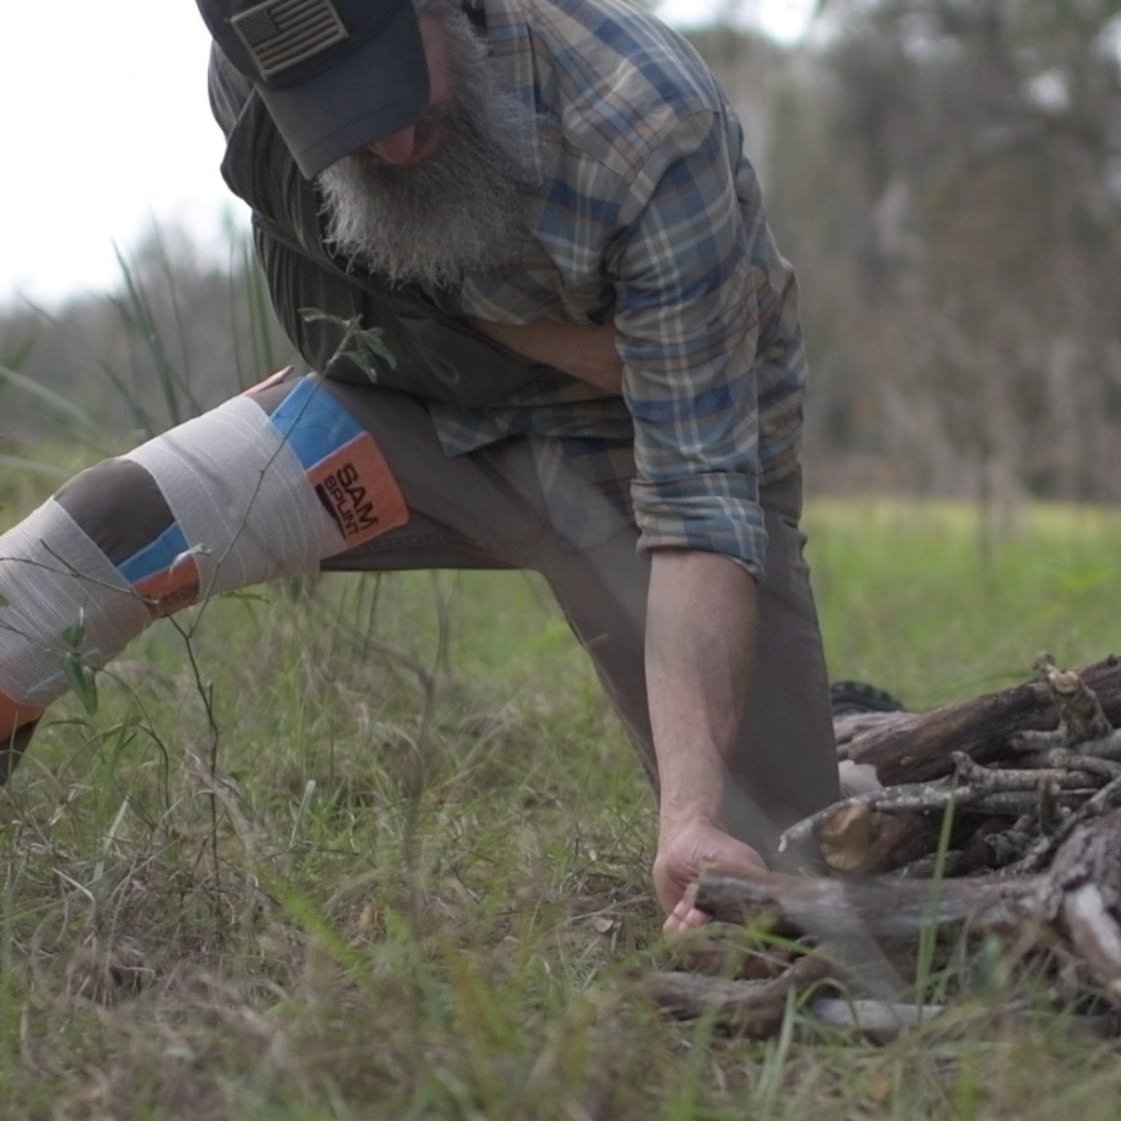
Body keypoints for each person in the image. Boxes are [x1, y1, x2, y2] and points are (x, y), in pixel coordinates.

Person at [0, 0, 840, 932]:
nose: (393, 143)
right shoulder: (250, 81)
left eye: (393, 88)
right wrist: (510, 333)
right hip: (424, 407)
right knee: (96, 539)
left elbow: (697, 496)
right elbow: (339, 283)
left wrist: (688, 816)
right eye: (344, 117)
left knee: (765, 880)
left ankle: (856, 739)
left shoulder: (644, 120)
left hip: (645, 447)